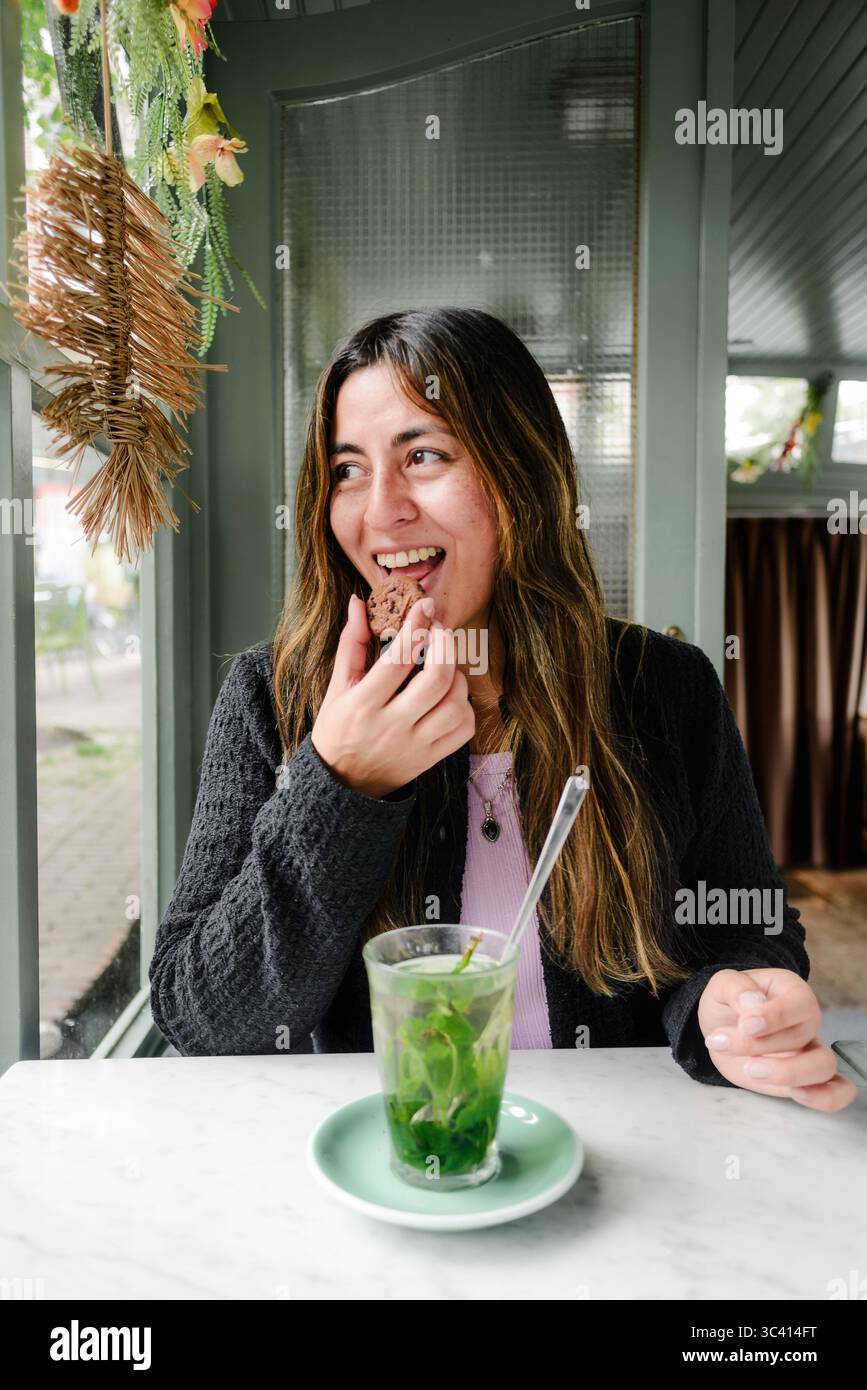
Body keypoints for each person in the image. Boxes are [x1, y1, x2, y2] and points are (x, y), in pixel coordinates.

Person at [149, 307, 855, 1112]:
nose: (380, 512)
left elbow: (744, 926)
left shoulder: (665, 687)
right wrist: (338, 785)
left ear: (521, 475)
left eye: (423, 455)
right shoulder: (269, 700)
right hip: (395, 1161)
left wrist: (734, 1005)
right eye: (346, 470)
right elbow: (200, 1017)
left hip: (633, 1156)